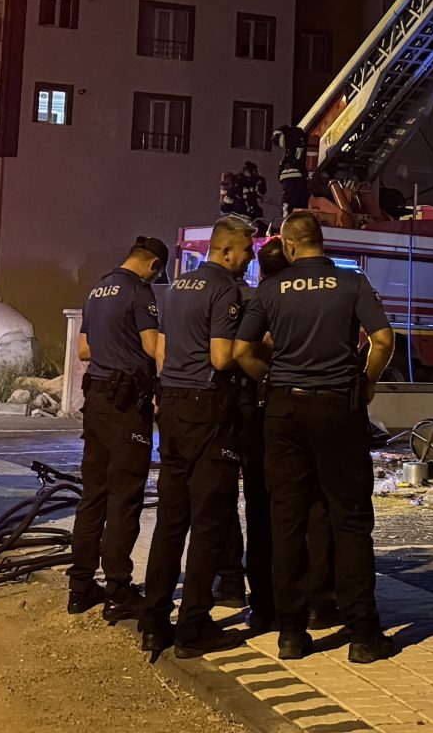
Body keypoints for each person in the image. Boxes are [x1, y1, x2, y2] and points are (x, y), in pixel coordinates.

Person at [232, 211, 399, 664]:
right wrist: (366, 383)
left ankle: (291, 633)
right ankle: (363, 634)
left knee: (287, 518)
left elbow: (240, 352)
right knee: (349, 519)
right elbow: (383, 339)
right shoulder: (351, 282)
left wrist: (270, 381)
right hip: (338, 408)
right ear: (320, 241)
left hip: (284, 413)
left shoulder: (271, 289)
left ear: (288, 245)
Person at [136, 219, 259, 657]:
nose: (250, 258)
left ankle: (152, 621)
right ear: (226, 252)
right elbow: (222, 357)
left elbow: (164, 353)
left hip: (170, 405)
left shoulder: (175, 288)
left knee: (171, 519)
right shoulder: (224, 289)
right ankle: (192, 628)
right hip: (208, 408)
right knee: (208, 522)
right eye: (246, 251)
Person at [223, 235, 335, 636]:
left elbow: (235, 353)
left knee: (260, 512)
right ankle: (317, 601)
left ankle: (265, 604)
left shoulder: (252, 298)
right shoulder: (284, 299)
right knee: (309, 511)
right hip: (287, 413)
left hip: (252, 417)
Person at [69, 235, 165, 621]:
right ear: (153, 265)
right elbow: (151, 346)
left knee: (93, 494)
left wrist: (112, 342)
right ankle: (118, 590)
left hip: (96, 400)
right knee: (125, 497)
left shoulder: (97, 290)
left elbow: (84, 350)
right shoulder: (140, 293)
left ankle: (80, 587)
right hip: (127, 405)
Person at [220, 162, 266, 226]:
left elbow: (260, 194)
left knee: (265, 229)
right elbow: (224, 207)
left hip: (250, 219)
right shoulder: (237, 186)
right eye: (253, 172)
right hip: (239, 219)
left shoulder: (252, 185)